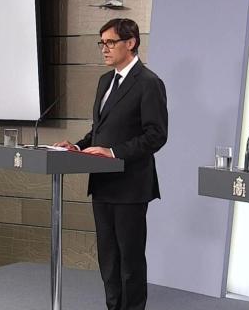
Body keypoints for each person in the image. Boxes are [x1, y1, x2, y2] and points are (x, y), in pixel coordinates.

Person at [55, 18, 168, 310]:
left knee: (129, 259)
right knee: (108, 258)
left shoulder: (149, 83)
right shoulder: (105, 81)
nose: (104, 49)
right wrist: (78, 146)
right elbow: (99, 132)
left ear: (130, 43)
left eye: (110, 42)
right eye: (101, 43)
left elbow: (156, 135)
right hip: (103, 184)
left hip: (131, 185)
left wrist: (114, 151)